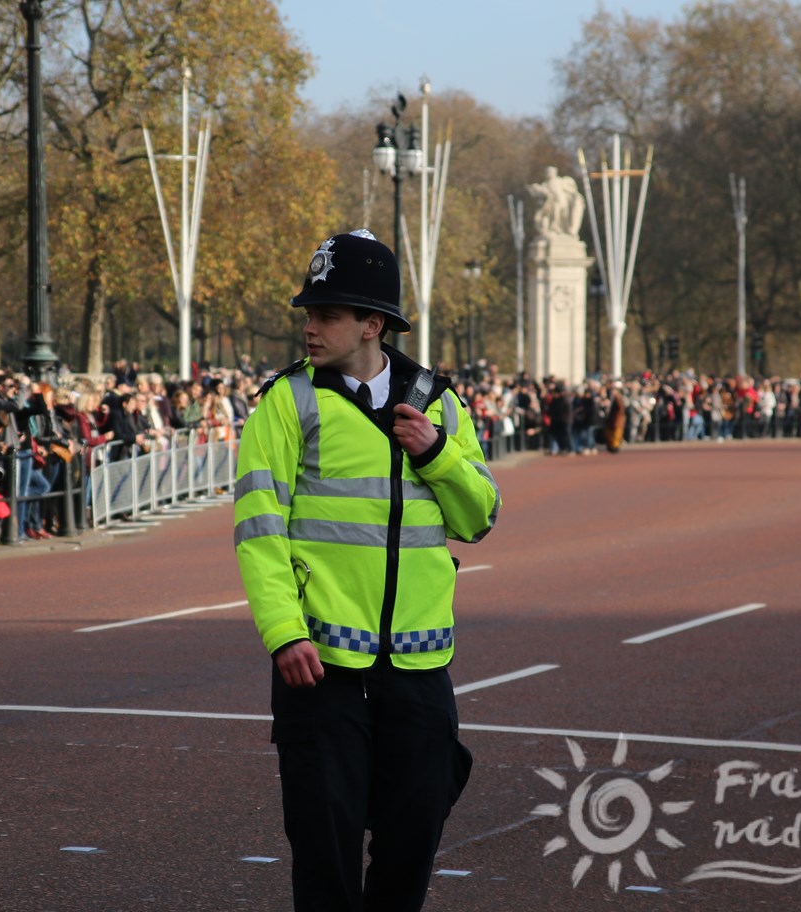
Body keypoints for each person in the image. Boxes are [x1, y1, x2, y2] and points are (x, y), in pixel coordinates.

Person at [234, 229, 500, 912]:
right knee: (325, 849)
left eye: (326, 315)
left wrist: (437, 452)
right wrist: (283, 632)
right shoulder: (286, 402)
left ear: (372, 325)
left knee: (414, 836)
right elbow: (260, 530)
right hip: (320, 663)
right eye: (309, 314)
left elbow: (479, 517)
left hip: (417, 665)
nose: (311, 328)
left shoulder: (438, 402)